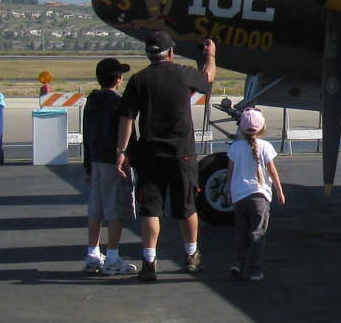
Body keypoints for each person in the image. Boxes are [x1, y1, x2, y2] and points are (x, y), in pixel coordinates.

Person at [115, 30, 217, 281]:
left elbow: (127, 119)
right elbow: (207, 79)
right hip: (182, 153)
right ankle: (191, 256)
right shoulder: (183, 73)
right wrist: (210, 56)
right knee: (186, 207)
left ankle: (149, 262)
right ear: (170, 52)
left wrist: (121, 152)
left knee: (151, 210)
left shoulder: (138, 81)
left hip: (150, 154)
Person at [81, 58, 139, 275]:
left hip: (95, 160)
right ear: (118, 79)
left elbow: (87, 135)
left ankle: (92, 254)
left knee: (96, 209)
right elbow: (126, 133)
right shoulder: (119, 103)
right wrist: (127, 157)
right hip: (113, 161)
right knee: (115, 211)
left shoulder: (92, 101)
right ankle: (113, 256)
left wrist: (88, 167)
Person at [227, 108, 285, 282]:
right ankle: (255, 270)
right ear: (261, 127)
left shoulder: (235, 147)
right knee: (257, 234)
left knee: (241, 232)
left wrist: (229, 191)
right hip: (260, 196)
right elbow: (272, 171)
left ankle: (236, 264)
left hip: (239, 196)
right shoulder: (266, 146)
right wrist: (279, 191)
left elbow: (230, 172)